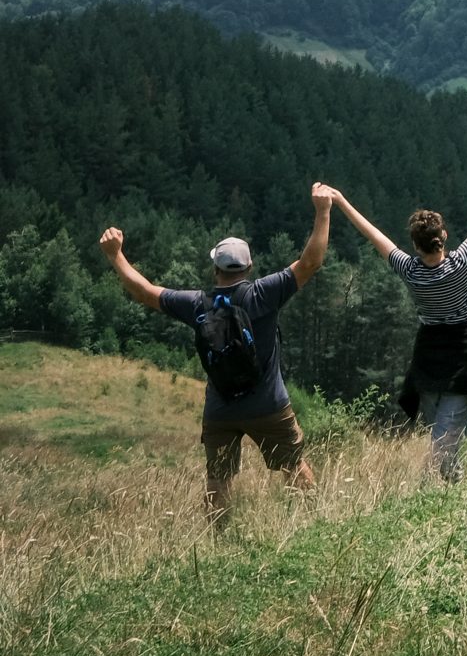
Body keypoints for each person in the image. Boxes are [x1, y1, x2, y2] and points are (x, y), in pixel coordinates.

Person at [96, 182, 334, 527]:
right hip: (269, 405)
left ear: (215, 269)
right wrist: (323, 210)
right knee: (293, 465)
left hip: (220, 409)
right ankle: (317, 527)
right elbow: (311, 261)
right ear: (249, 268)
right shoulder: (264, 294)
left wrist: (115, 255)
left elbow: (145, 291)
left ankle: (219, 542)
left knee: (218, 480)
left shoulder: (196, 304)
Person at [330, 139, 467, 482]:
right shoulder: (463, 262)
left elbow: (373, 234)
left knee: (440, 439)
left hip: (429, 354)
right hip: (463, 350)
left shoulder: (409, 270)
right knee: (442, 433)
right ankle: (457, 447)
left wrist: (341, 202)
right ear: (443, 236)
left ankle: (443, 487)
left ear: (414, 245)